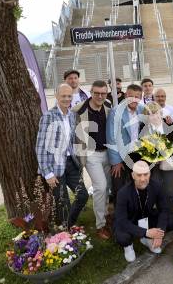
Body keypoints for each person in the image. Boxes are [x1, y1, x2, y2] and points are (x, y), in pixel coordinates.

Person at [36, 84, 88, 227]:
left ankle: (69, 223)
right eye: (63, 96)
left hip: (71, 164)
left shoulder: (72, 115)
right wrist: (47, 173)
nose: (66, 99)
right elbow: (40, 147)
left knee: (83, 195)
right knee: (62, 201)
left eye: (69, 96)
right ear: (57, 96)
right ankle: (67, 230)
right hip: (54, 167)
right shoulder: (48, 116)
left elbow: (71, 140)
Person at [73, 80, 112, 240]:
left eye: (103, 93)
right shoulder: (79, 109)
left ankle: (106, 214)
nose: (100, 96)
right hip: (91, 154)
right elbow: (75, 136)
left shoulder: (109, 106)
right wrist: (79, 161)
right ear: (91, 92)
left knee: (108, 186)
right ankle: (100, 225)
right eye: (96, 93)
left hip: (108, 153)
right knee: (100, 187)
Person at [114, 161, 173, 262]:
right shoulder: (123, 193)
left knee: (170, 222)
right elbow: (122, 220)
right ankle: (129, 246)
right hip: (130, 221)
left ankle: (147, 239)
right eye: (139, 175)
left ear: (150, 174)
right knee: (122, 237)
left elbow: (164, 210)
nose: (143, 179)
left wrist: (159, 234)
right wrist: (146, 232)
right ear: (133, 175)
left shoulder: (156, 186)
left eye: (146, 174)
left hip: (147, 217)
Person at [106, 84, 145, 204]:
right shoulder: (116, 112)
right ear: (126, 95)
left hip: (136, 155)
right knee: (120, 189)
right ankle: (120, 216)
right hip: (121, 156)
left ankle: (136, 213)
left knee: (137, 186)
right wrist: (116, 161)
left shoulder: (141, 109)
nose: (134, 99)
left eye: (137, 97)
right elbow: (111, 137)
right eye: (131, 96)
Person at [138, 102, 173, 211]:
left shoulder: (169, 124)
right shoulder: (144, 128)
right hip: (153, 164)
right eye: (150, 114)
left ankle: (170, 214)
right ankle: (158, 212)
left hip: (168, 163)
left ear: (160, 113)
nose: (154, 116)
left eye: (155, 113)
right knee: (154, 187)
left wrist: (164, 154)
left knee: (169, 189)